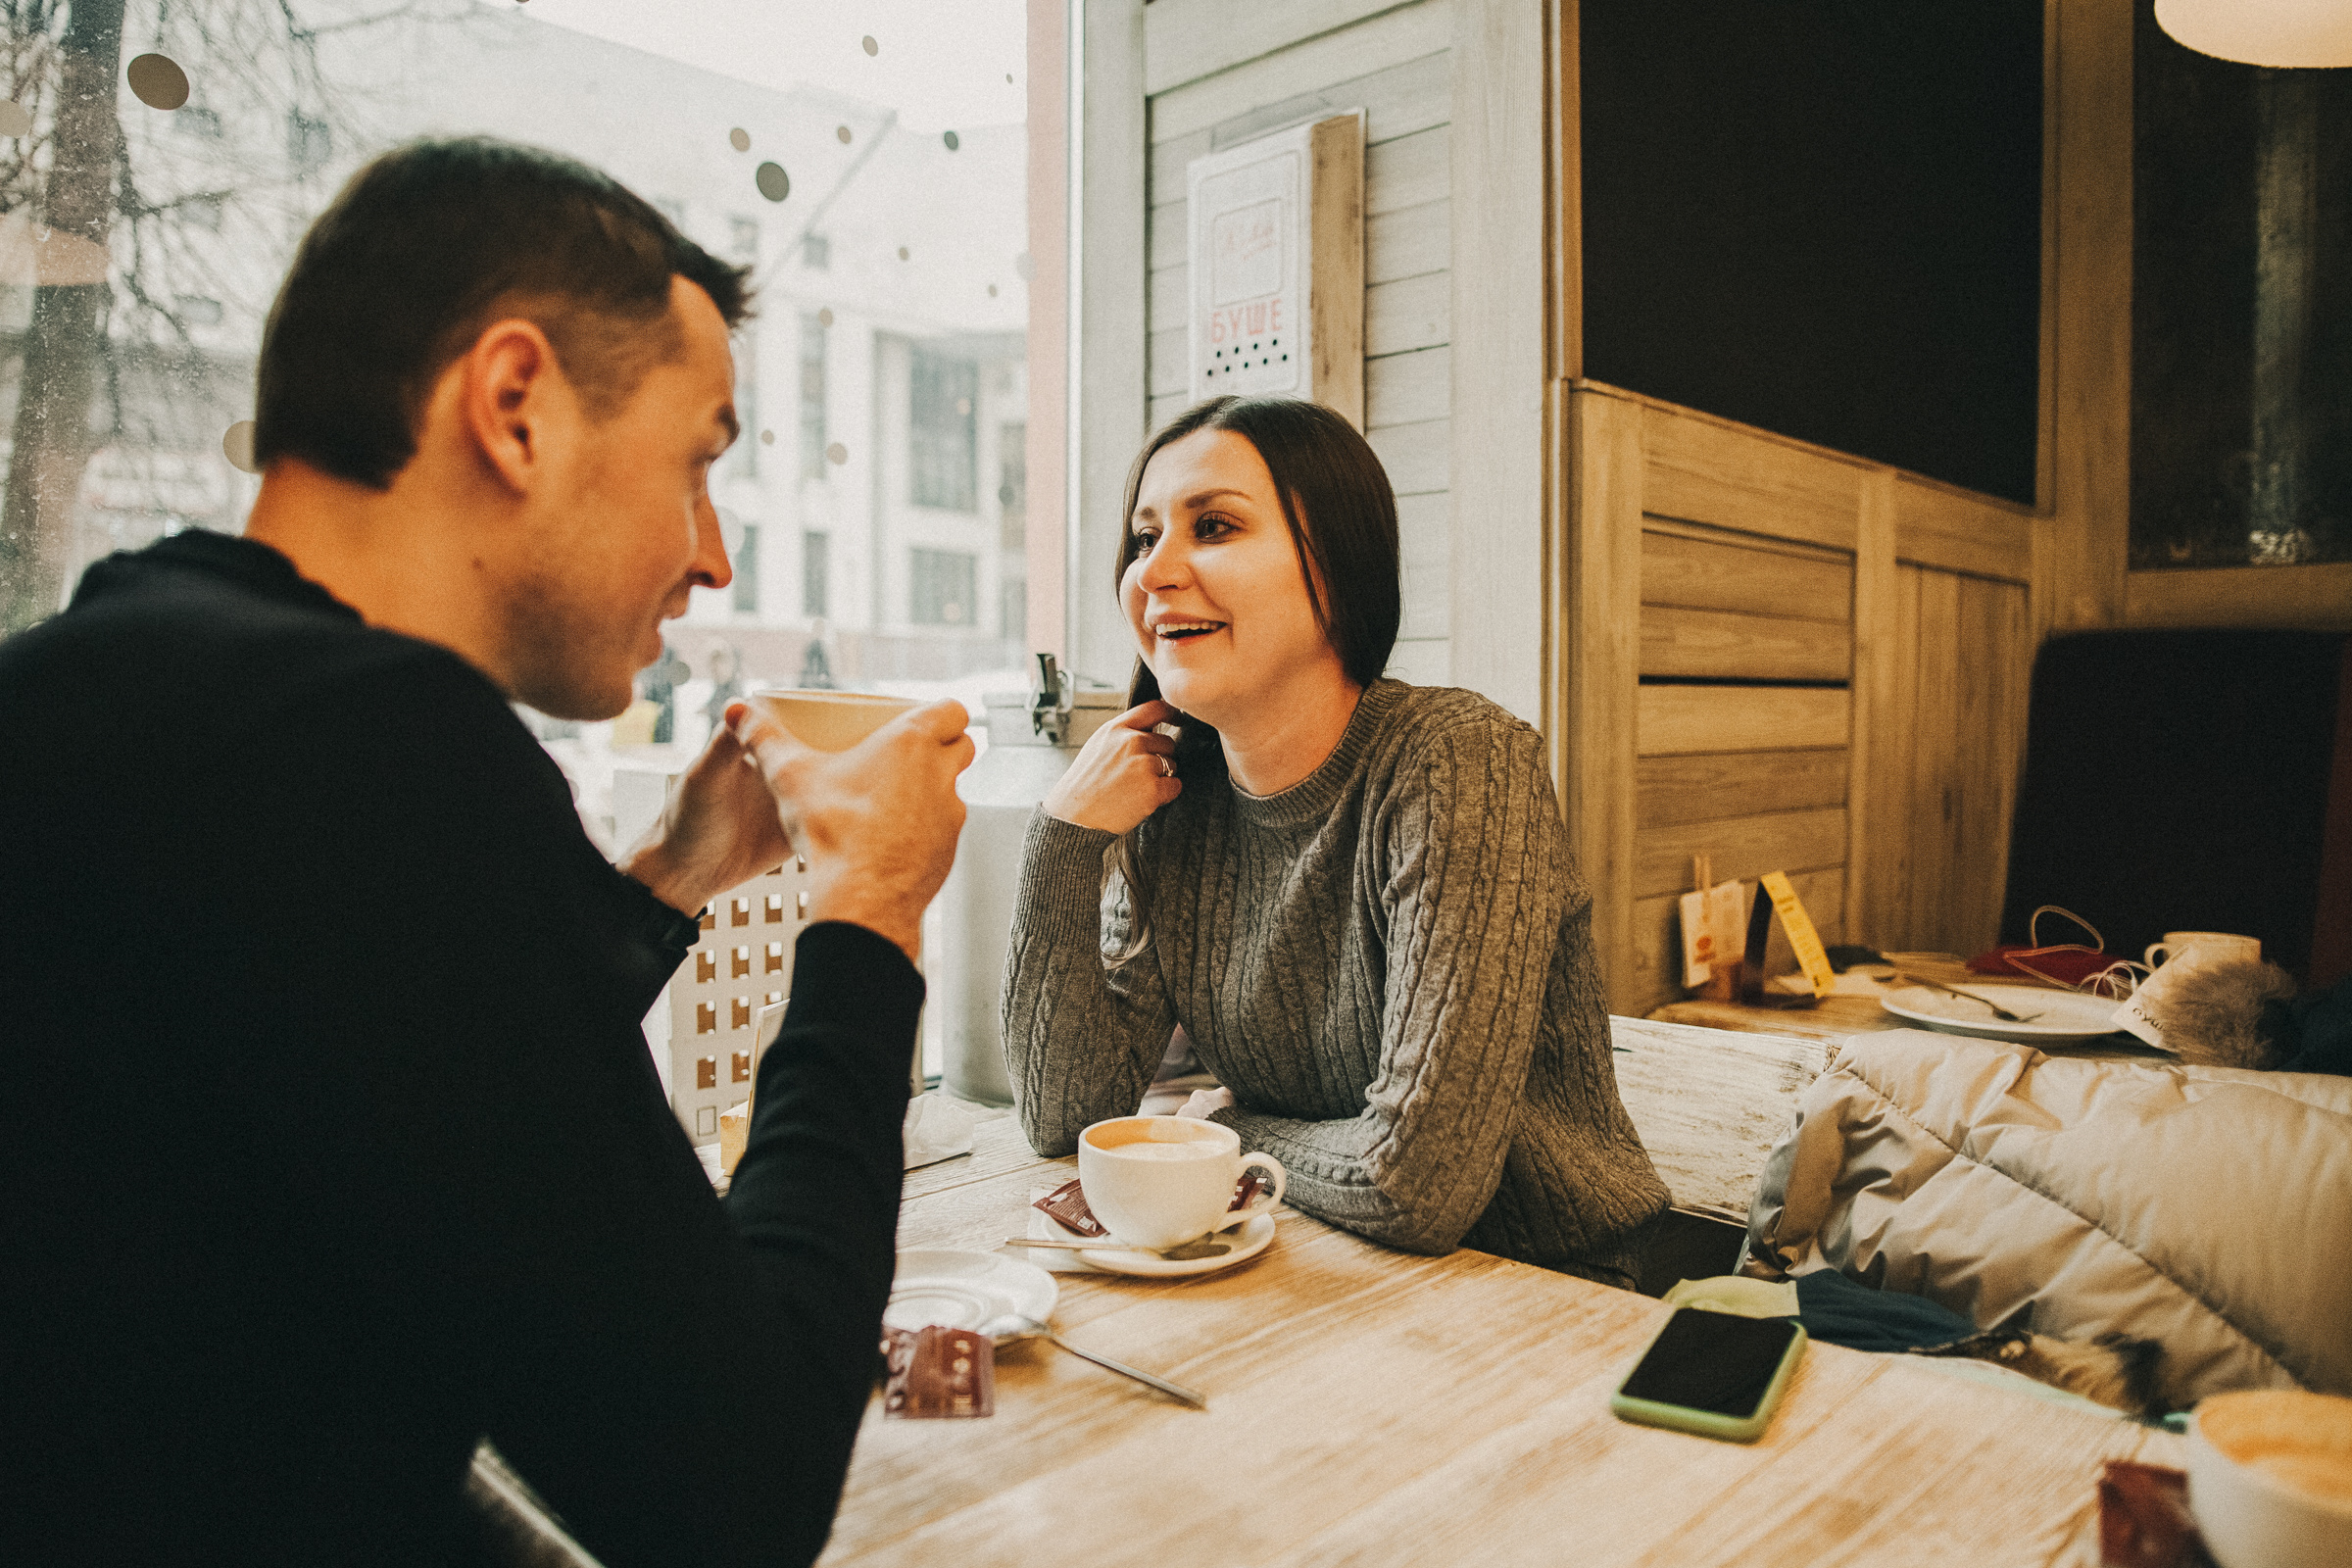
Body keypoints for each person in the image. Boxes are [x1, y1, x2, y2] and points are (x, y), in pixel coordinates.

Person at [0, 139, 971, 1567]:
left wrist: (668, 882)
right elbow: (736, 1488)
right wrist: (872, 909)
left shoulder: (110, 672)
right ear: (515, 406)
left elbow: (400, 1103)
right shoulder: (380, 739)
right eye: (698, 463)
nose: (713, 554)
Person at [1003, 396, 1669, 1287]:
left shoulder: (1458, 760)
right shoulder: (1176, 805)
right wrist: (1062, 840)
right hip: (1322, 1264)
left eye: (1213, 526)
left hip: (1550, 1292)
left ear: (1338, 563)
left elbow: (1416, 1186)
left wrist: (1225, 1132)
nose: (1152, 572)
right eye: (1143, 537)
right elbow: (1066, 1120)